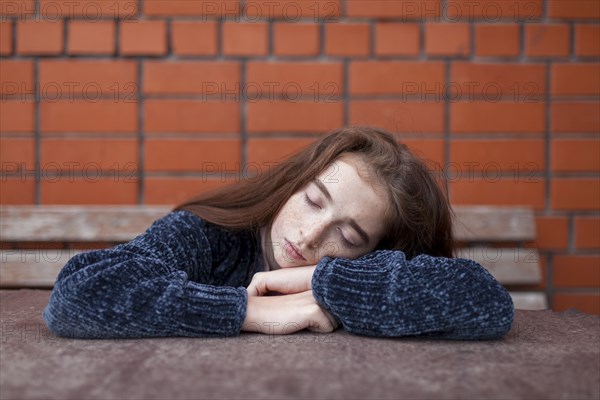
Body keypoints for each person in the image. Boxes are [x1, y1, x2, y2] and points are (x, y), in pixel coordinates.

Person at [43, 126, 514, 340]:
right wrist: (248, 310)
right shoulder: (210, 236)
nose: (309, 235)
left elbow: (485, 302)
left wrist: (324, 284)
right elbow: (78, 295)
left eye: (348, 238)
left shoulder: (362, 277)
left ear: (375, 250)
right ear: (291, 184)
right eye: (312, 200)